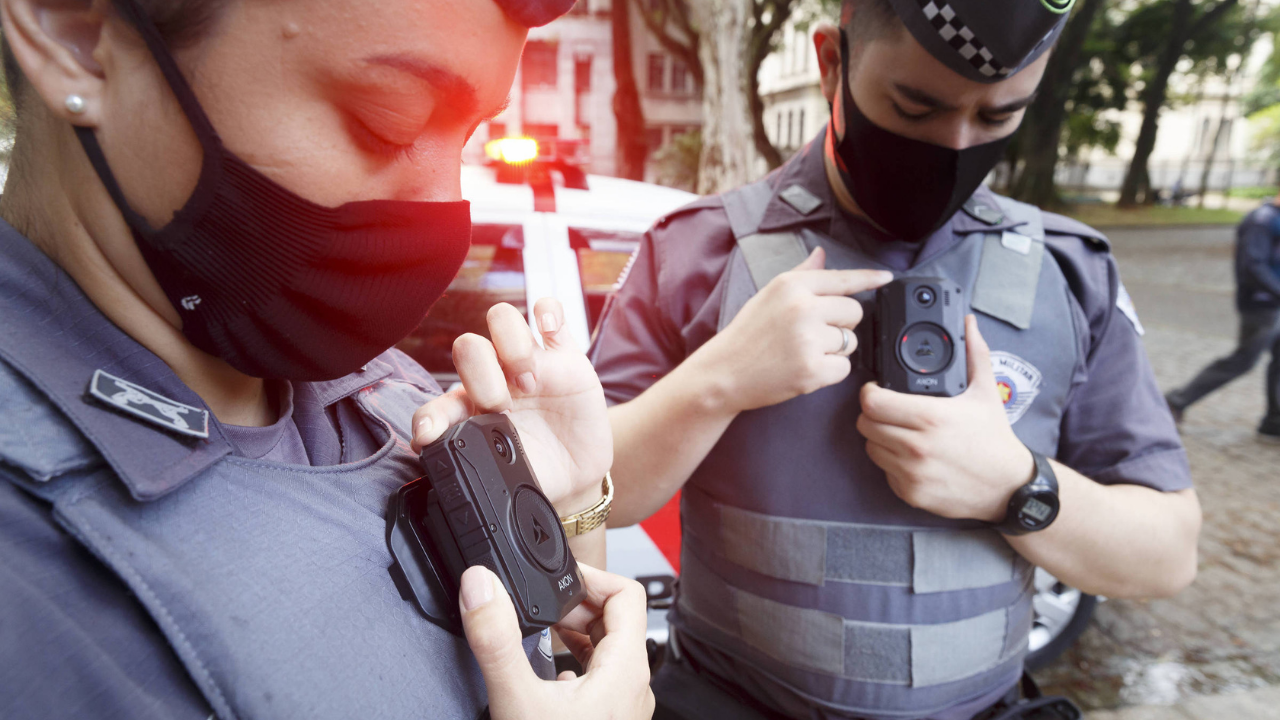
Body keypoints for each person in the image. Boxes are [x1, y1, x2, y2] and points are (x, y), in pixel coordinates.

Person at [0, 1, 653, 719]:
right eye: (387, 120)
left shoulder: (396, 396)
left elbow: (556, 665)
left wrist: (568, 506)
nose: (446, 208)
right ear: (75, 30)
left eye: (464, 141)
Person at [589, 0, 1203, 718]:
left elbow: (1168, 555)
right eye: (915, 106)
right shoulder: (695, 254)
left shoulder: (1069, 276)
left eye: (998, 118)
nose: (955, 144)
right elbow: (589, 495)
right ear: (830, 64)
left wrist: (1016, 485)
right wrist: (717, 383)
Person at [1165, 197, 1280, 438]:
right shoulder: (1262, 220)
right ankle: (1175, 401)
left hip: (1272, 302)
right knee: (1243, 359)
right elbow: (1253, 266)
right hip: (1261, 304)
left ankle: (1274, 420)